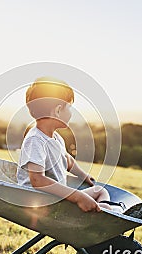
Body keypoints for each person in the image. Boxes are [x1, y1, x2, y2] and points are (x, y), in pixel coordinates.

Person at [17, 77, 123, 212]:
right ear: (58, 110)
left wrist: (83, 175)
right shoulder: (35, 140)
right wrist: (78, 196)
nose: (71, 112)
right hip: (43, 202)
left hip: (57, 198)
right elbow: (37, 180)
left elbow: (67, 160)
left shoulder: (56, 138)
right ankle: (112, 211)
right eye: (70, 107)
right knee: (104, 207)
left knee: (99, 191)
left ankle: (109, 210)